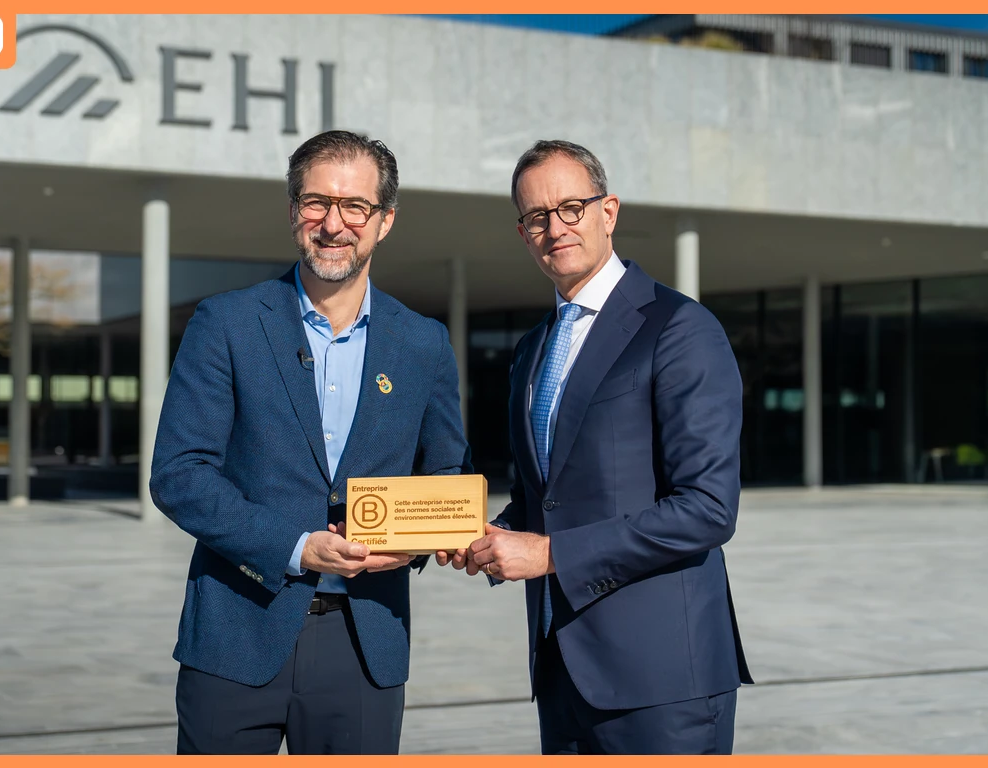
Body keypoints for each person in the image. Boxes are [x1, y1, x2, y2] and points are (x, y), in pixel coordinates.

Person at [151, 129, 470, 755]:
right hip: (237, 634)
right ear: (293, 209)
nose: (333, 223)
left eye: (355, 206)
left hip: (366, 642)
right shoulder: (226, 323)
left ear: (385, 221)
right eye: (316, 202)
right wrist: (296, 547)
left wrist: (415, 540)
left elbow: (446, 472)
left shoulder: (423, 342)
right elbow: (180, 473)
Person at [438, 139, 751, 754]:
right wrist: (484, 534)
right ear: (523, 233)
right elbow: (546, 498)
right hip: (562, 674)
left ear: (608, 211)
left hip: (662, 682)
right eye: (535, 216)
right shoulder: (533, 349)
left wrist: (549, 553)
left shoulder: (679, 328)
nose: (555, 228)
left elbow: (708, 509)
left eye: (570, 208)